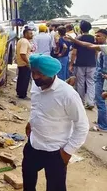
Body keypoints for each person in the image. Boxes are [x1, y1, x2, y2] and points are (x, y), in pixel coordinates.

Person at [23, 54, 89, 191]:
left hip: (56, 151)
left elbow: (82, 126)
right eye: (33, 72)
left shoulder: (68, 95)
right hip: (33, 145)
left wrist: (67, 151)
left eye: (39, 74)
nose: (35, 77)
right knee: (28, 182)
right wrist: (31, 122)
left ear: (51, 74)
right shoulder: (36, 85)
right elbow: (36, 106)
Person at [65, 29, 107, 132]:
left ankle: (103, 126)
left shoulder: (105, 47)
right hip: (98, 74)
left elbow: (89, 46)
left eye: (99, 36)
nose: (96, 38)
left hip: (102, 77)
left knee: (100, 100)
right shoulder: (102, 48)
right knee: (98, 96)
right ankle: (101, 121)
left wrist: (75, 41)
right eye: (96, 36)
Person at [69, 20, 96, 110]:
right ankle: (90, 102)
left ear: (80, 28)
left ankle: (81, 101)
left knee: (80, 82)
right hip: (92, 63)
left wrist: (71, 64)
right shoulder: (93, 38)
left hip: (80, 63)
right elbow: (96, 51)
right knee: (91, 82)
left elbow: (74, 53)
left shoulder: (78, 39)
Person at [15, 28, 33, 99]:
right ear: (25, 34)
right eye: (30, 33)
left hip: (21, 63)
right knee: (25, 80)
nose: (32, 35)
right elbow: (22, 54)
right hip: (24, 64)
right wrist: (28, 62)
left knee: (21, 78)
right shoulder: (25, 42)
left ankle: (19, 92)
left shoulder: (21, 40)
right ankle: (23, 95)